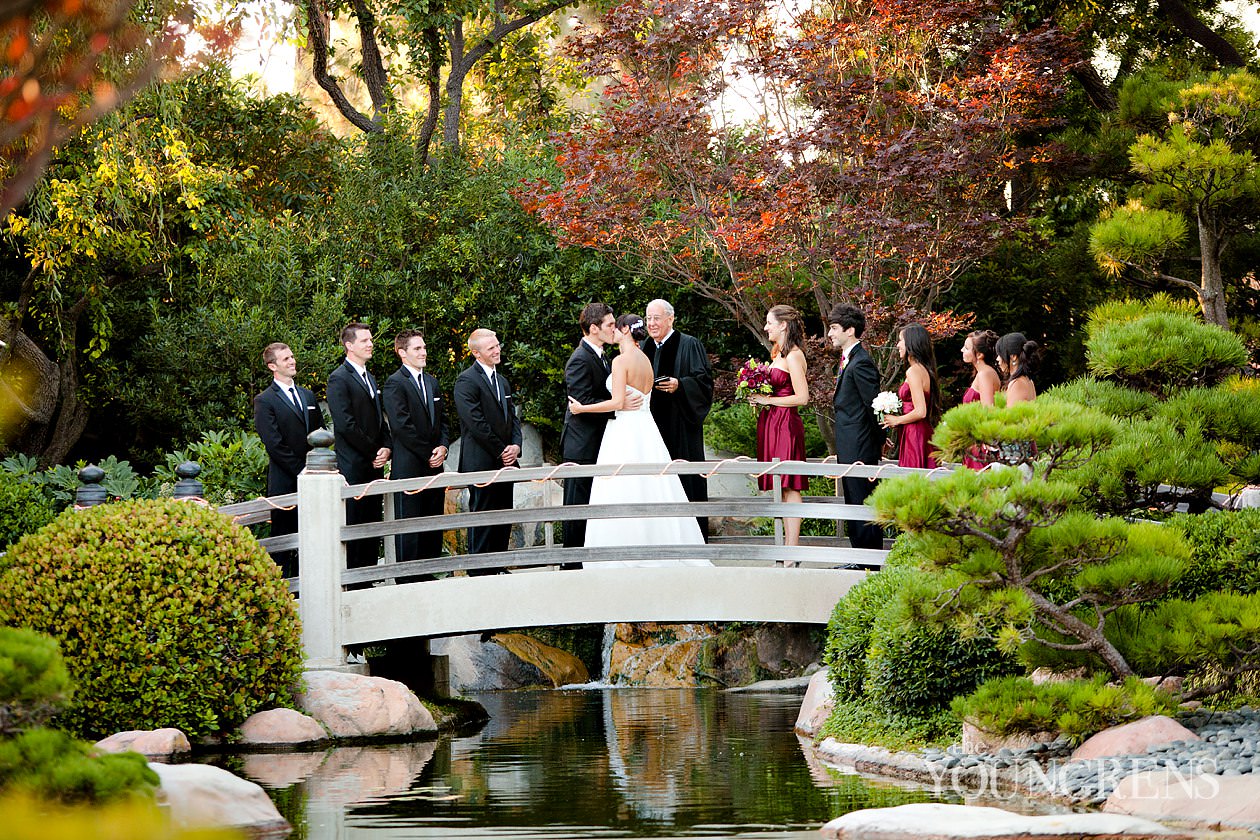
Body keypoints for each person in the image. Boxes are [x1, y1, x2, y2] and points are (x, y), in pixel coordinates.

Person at [568, 314, 707, 564]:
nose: (612, 332)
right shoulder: (645, 359)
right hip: (646, 428)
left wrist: (581, 409)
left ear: (624, 330)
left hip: (624, 430)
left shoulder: (621, 361)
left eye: (614, 327)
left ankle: (623, 549)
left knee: (622, 487)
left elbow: (618, 402)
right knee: (652, 486)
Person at [641, 299, 714, 537]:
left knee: (685, 479)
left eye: (657, 318)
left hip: (681, 424)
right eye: (649, 318)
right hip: (651, 427)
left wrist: (680, 385)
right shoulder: (643, 348)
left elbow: (704, 382)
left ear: (670, 319)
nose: (652, 323)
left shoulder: (689, 344)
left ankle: (692, 536)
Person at [253, 342, 325, 577]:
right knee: (284, 541)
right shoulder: (264, 401)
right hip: (284, 481)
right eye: (286, 359)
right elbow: (274, 445)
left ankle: (312, 587)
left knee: (313, 538)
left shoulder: (307, 394)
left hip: (315, 480)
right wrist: (303, 471)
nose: (293, 361)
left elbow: (320, 432)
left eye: (292, 356)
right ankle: (283, 593)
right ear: (272, 366)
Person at [382, 330, 449, 580]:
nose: (423, 352)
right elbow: (401, 425)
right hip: (410, 466)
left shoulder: (432, 382)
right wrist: (427, 453)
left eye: (423, 347)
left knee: (432, 522)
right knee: (409, 525)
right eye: (417, 349)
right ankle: (408, 577)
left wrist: (443, 447)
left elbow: (443, 420)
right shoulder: (394, 383)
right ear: (402, 353)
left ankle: (429, 573)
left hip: (434, 466)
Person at [453, 328, 522, 567]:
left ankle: (499, 566)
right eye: (491, 347)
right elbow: (476, 423)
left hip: (506, 461)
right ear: (476, 353)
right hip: (482, 461)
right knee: (483, 517)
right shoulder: (466, 381)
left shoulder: (502, 381)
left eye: (497, 345)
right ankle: (479, 572)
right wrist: (501, 450)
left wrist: (516, 446)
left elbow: (512, 418)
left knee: (504, 516)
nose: (497, 350)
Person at [326, 322, 392, 574]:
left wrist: (387, 446)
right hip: (354, 464)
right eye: (365, 340)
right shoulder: (338, 378)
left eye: (370, 339)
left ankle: (369, 574)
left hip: (374, 463)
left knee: (372, 521)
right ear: (349, 346)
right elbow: (345, 424)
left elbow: (378, 419)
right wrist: (374, 450)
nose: (371, 344)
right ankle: (354, 578)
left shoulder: (370, 377)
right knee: (355, 522)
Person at [749, 305, 810, 550]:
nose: (766, 328)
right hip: (772, 423)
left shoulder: (794, 355)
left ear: (783, 325)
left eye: (769, 323)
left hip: (786, 425)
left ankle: (791, 549)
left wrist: (769, 400)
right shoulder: (778, 355)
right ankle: (786, 547)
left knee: (790, 483)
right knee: (781, 486)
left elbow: (802, 397)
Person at [827, 303, 884, 550]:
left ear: (850, 330)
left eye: (834, 328)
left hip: (860, 445)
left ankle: (869, 562)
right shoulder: (849, 359)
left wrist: (880, 437)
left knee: (862, 500)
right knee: (853, 500)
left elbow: (873, 406)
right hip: (851, 442)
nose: (830, 333)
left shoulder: (861, 362)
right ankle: (860, 559)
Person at [561, 303, 615, 554]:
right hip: (581, 445)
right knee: (577, 505)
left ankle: (588, 555)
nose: (614, 329)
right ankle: (571, 560)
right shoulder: (580, 359)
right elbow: (582, 402)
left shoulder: (601, 355)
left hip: (596, 441)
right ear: (594, 328)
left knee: (592, 503)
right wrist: (618, 406)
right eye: (610, 325)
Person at [881, 323, 941, 469]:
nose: (898, 345)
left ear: (911, 343)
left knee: (913, 476)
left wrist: (897, 420)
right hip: (919, 430)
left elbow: (920, 411)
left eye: (901, 340)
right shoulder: (924, 369)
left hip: (914, 432)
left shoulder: (914, 371)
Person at [961, 329, 1001, 470]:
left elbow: (988, 409)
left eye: (966, 348)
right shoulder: (984, 373)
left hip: (980, 440)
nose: (962, 350)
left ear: (979, 354)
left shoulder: (985, 374)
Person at [997, 332, 1039, 405]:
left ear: (1013, 356)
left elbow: (1012, 415)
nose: (997, 359)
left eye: (1000, 355)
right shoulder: (1028, 380)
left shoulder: (1017, 384)